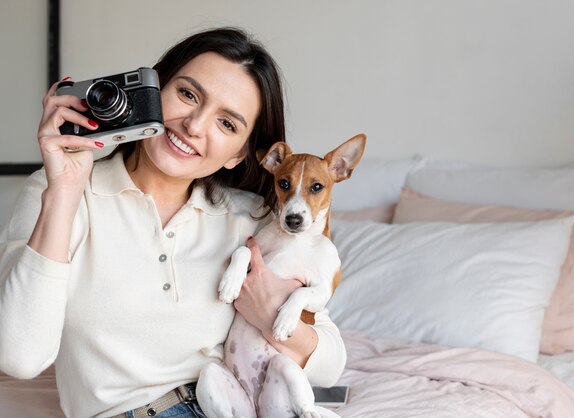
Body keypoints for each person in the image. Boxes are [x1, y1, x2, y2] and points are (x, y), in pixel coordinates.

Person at [0, 27, 346, 418]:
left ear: (239, 155)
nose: (194, 125)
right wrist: (64, 191)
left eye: (227, 124)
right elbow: (20, 357)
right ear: (153, 89)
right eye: (187, 94)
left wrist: (271, 314)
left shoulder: (257, 219)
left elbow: (331, 361)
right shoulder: (58, 192)